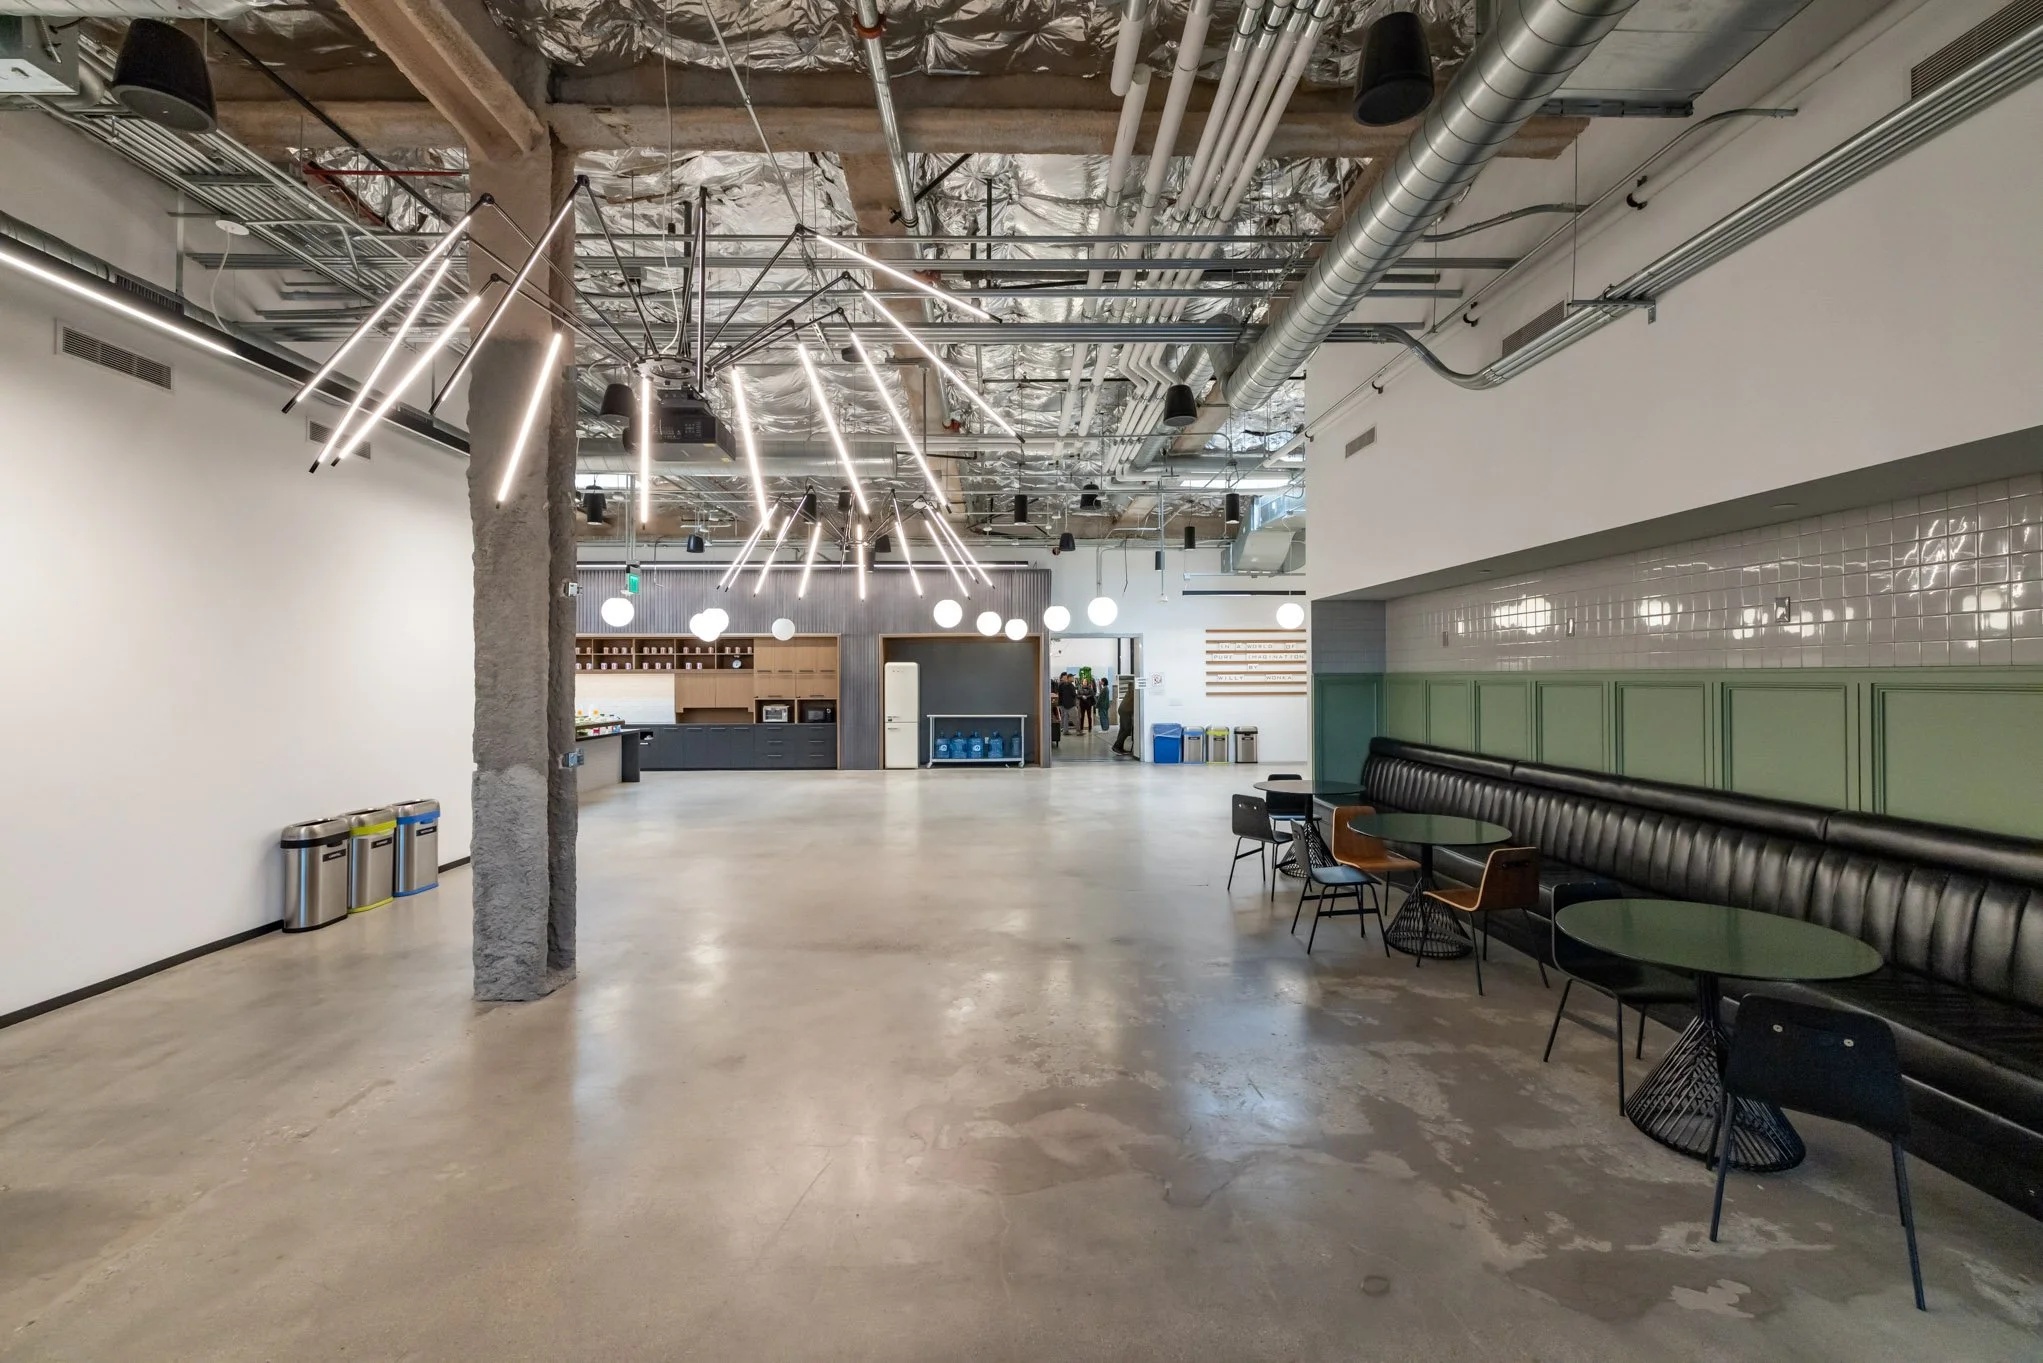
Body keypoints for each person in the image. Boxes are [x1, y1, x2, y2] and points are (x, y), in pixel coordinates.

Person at [1111, 677, 1136, 757]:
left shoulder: (1131, 689)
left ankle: (1119, 748)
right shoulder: (1134, 690)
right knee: (1127, 730)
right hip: (1126, 711)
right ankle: (1116, 746)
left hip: (1123, 710)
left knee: (1122, 729)